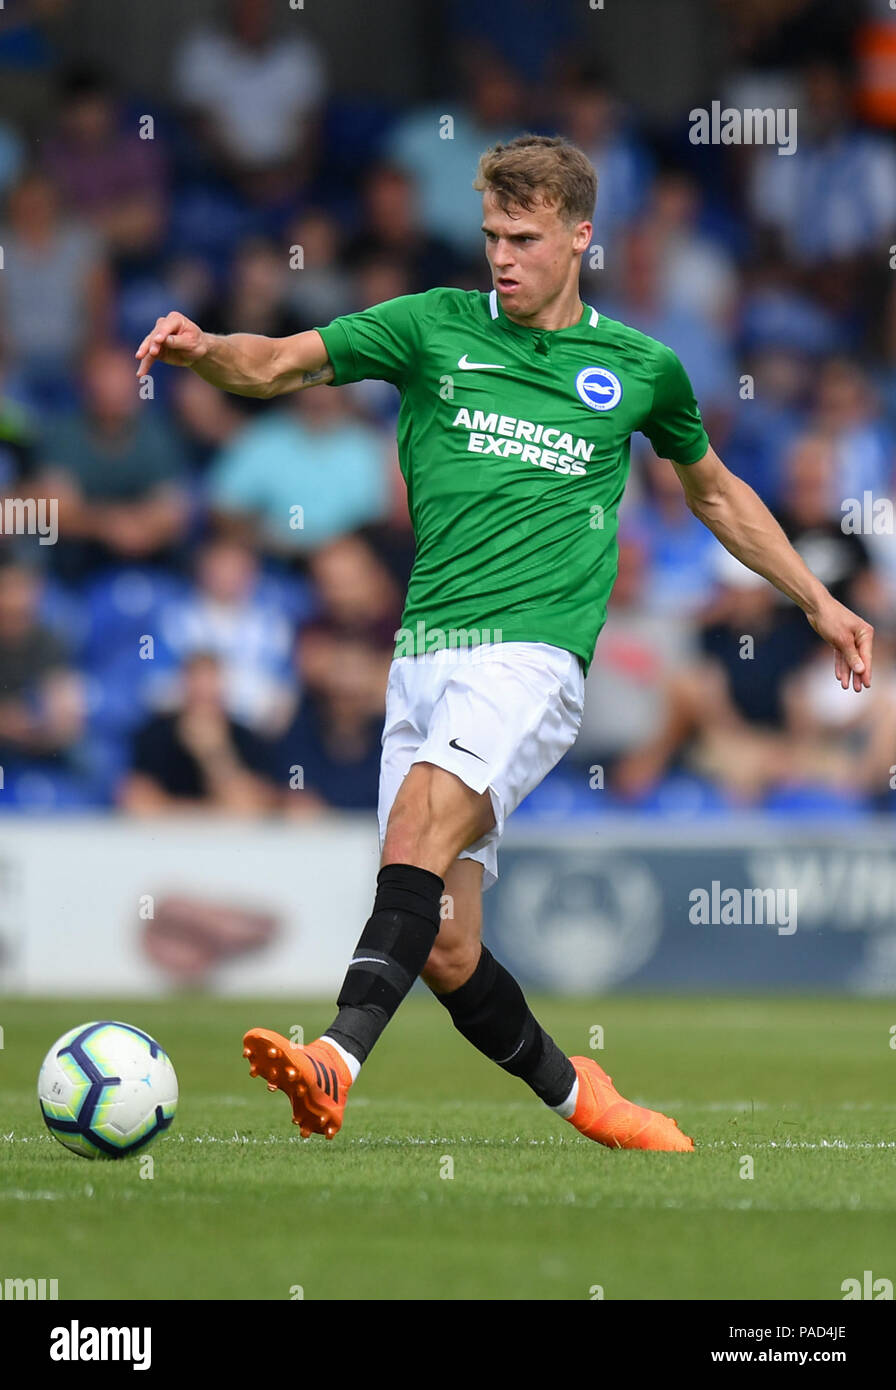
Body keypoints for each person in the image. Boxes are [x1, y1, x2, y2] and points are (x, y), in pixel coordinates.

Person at [136, 135, 875, 1153]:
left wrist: (812, 600)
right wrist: (204, 346)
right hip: (422, 653)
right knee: (443, 943)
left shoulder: (638, 367)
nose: (502, 257)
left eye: (523, 238)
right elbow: (276, 363)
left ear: (579, 235)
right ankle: (587, 1099)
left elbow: (712, 492)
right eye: (491, 235)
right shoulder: (428, 327)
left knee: (415, 824)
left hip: (528, 656)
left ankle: (335, 1058)